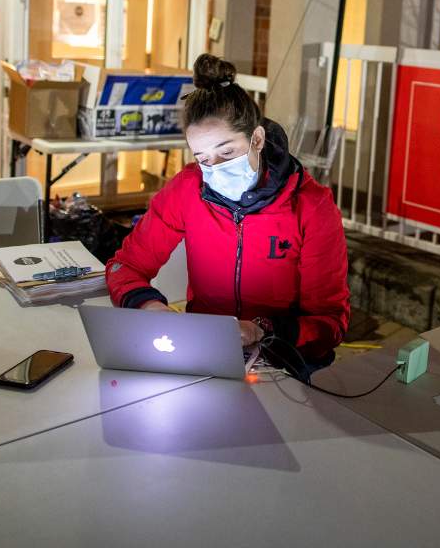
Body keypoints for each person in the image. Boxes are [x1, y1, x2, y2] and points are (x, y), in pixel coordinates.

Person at [106, 54, 350, 377]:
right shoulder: (187, 189)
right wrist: (150, 307)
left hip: (285, 366)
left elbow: (330, 322)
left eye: (227, 152)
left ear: (257, 139)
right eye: (203, 158)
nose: (215, 169)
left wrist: (262, 330)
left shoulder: (311, 207)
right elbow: (125, 266)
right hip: (203, 360)